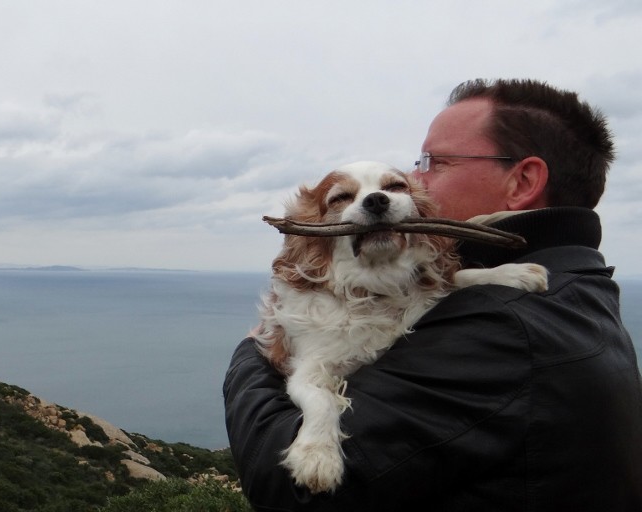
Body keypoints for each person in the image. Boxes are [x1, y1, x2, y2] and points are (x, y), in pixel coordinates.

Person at [223, 78, 642, 511]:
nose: (414, 179)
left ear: (523, 182)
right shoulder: (574, 285)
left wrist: (248, 356)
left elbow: (286, 491)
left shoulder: (504, 327)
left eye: (433, 162)